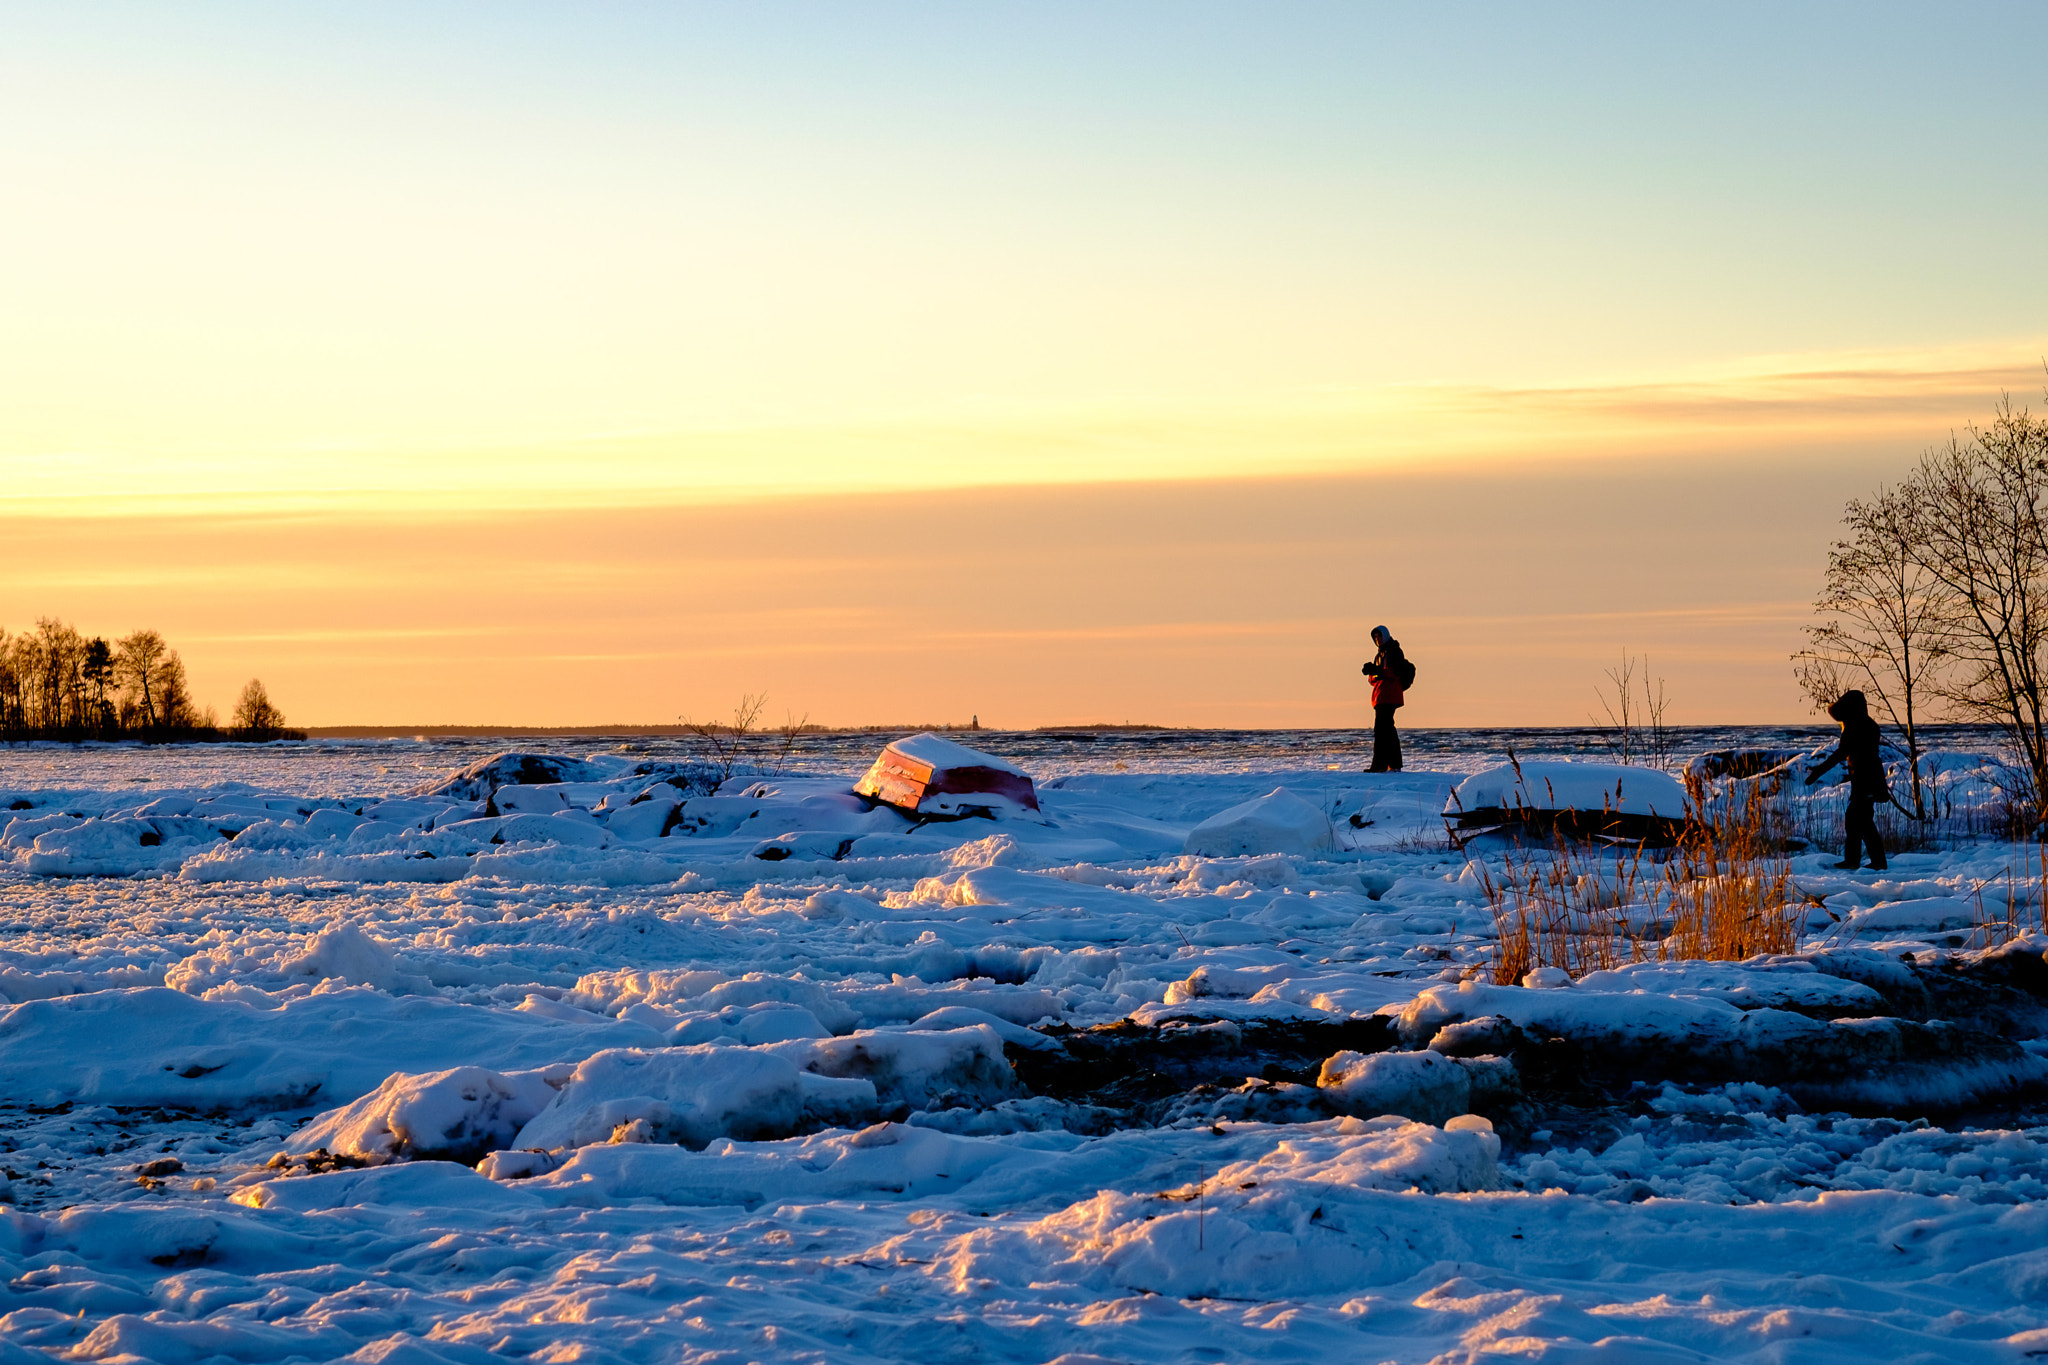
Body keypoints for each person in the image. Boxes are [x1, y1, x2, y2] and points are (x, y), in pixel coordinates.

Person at [1804, 689, 1889, 871]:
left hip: (1865, 778)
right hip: (1868, 777)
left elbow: (1841, 753)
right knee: (1859, 821)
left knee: (1859, 821)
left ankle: (1865, 862)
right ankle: (1862, 861)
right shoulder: (1867, 724)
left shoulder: (1856, 726)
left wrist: (1817, 772)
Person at [1360, 624, 1407, 772]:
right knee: (1388, 731)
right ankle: (1394, 764)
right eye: (1375, 637)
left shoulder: (1394, 652)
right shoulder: (1380, 654)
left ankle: (1379, 765)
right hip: (1380, 696)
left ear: (1385, 636)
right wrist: (1372, 672)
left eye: (1379, 636)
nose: (1377, 639)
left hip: (1389, 696)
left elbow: (1394, 673)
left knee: (1381, 731)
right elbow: (1374, 680)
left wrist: (1377, 671)